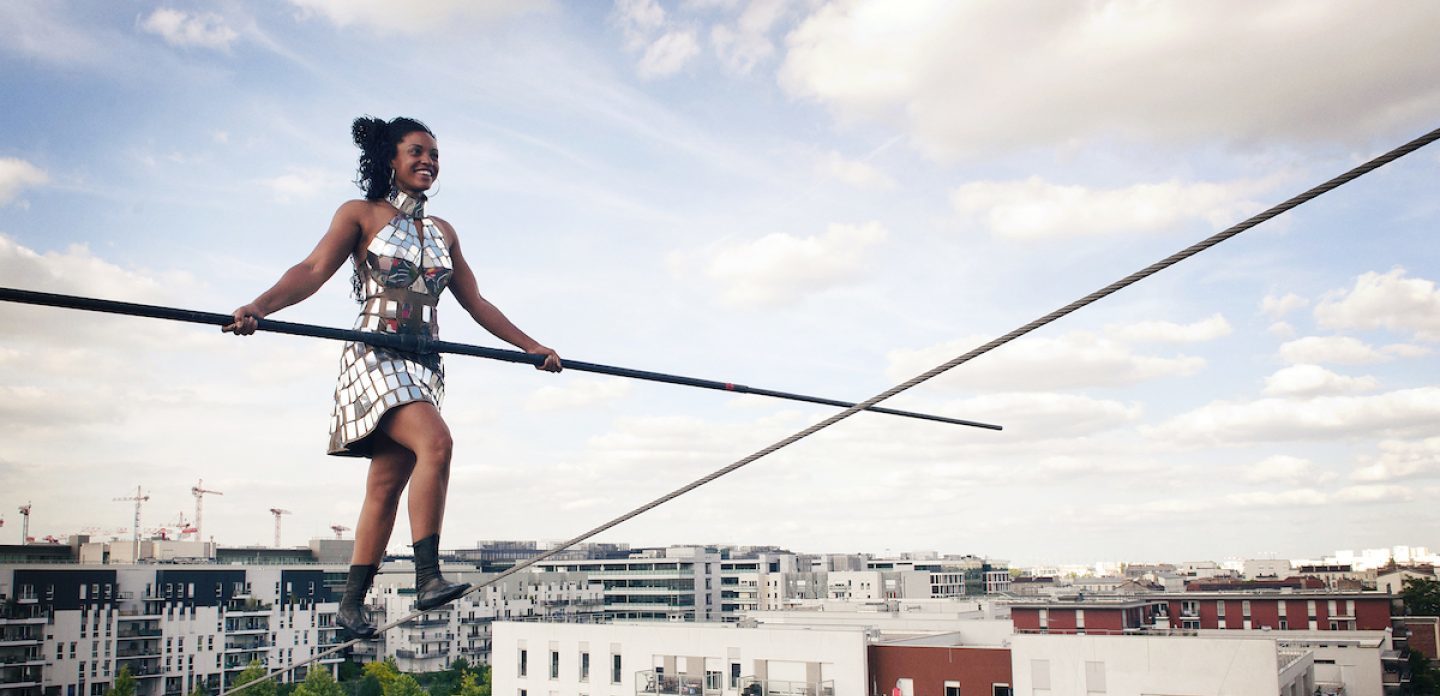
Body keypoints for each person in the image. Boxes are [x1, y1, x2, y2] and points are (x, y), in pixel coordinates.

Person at [224, 116, 562, 638]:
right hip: (376, 354)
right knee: (438, 443)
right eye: (417, 151)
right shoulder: (360, 214)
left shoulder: (443, 231)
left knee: (385, 485)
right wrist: (259, 308)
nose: (428, 160)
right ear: (391, 159)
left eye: (435, 154)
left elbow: (476, 302)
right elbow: (312, 270)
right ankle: (428, 576)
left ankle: (351, 604)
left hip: (425, 363)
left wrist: (531, 347)